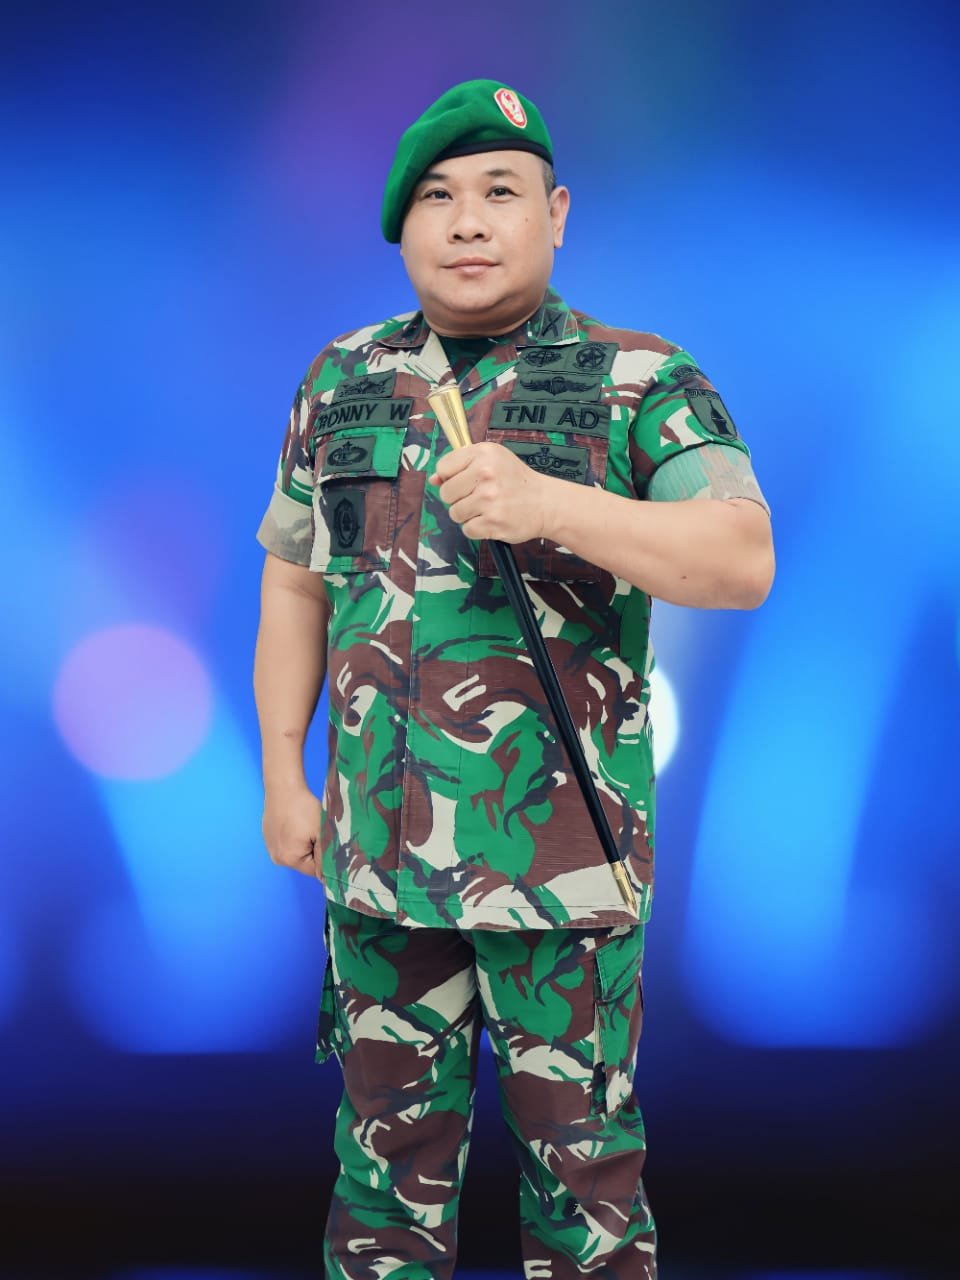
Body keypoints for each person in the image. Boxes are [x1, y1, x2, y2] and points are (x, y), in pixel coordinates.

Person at [253, 79, 774, 1279]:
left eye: (501, 191)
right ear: (403, 224)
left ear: (557, 213)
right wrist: (283, 769)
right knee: (380, 1193)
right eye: (438, 196)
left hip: (562, 869)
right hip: (379, 869)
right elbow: (295, 580)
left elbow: (741, 559)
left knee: (586, 1196)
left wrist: (552, 504)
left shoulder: (637, 378)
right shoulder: (343, 380)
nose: (470, 221)